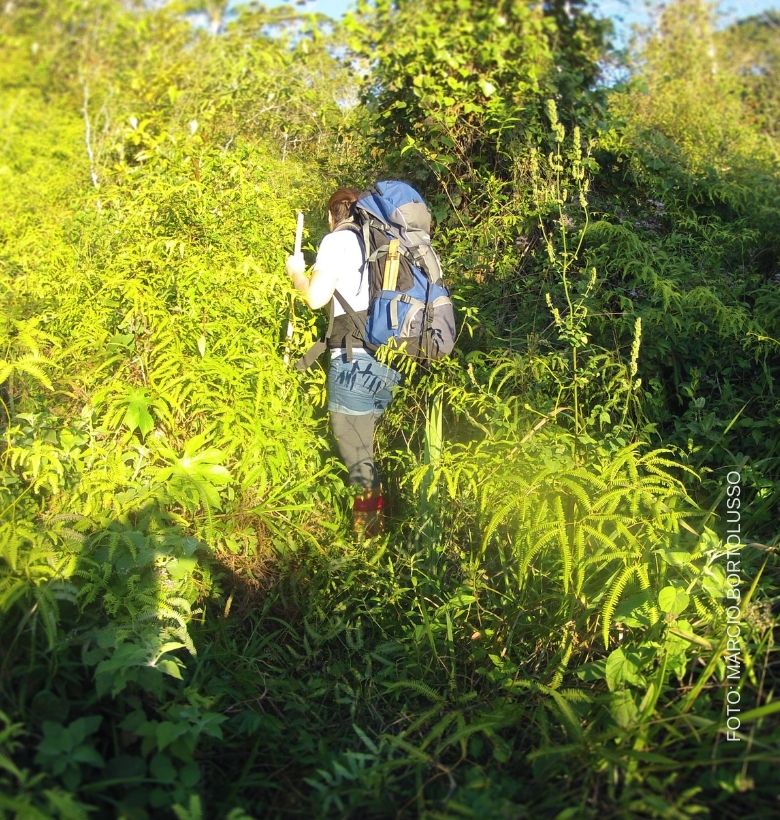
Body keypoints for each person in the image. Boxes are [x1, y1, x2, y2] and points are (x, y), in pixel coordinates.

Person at [285, 188, 402, 535]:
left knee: (357, 457)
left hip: (352, 361)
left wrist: (296, 272)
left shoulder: (336, 242)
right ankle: (380, 528)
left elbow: (316, 297)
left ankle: (368, 541)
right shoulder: (376, 242)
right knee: (364, 451)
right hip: (385, 361)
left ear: (331, 215)